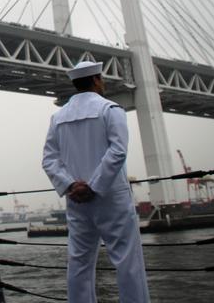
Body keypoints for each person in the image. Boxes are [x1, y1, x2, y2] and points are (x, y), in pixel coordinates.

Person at [42, 61, 149, 303]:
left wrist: (71, 185)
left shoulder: (58, 117)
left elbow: (49, 159)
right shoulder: (110, 109)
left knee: (79, 261)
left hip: (76, 200)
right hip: (111, 196)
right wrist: (94, 186)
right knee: (126, 259)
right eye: (102, 79)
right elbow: (118, 151)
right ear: (96, 80)